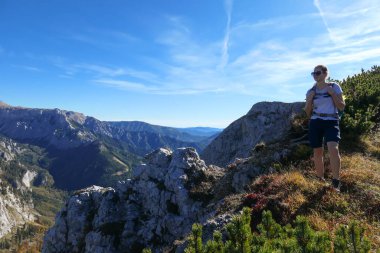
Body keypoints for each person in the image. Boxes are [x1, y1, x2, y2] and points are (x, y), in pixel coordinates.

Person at [304, 65, 345, 191]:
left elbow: (341, 106)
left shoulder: (334, 86)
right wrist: (309, 100)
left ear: (325, 74)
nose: (315, 75)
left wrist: (332, 94)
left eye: (318, 72)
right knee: (317, 151)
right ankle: (320, 179)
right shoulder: (311, 91)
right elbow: (307, 112)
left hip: (331, 120)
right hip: (316, 121)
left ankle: (336, 181)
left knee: (333, 148)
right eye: (313, 73)